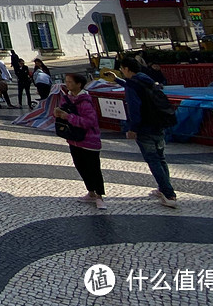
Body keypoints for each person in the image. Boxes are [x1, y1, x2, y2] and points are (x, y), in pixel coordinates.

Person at [116, 57, 178, 209]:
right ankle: (163, 188)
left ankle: (168, 193)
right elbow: (137, 88)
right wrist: (118, 80)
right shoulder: (146, 79)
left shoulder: (132, 86)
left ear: (126, 69)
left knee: (153, 159)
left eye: (122, 69)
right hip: (158, 123)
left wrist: (132, 129)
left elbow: (134, 108)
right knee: (160, 157)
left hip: (144, 127)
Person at [54, 72, 105, 209]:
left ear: (79, 84)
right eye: (66, 81)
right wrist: (58, 113)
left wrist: (68, 117)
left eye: (70, 82)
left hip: (89, 139)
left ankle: (100, 195)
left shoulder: (86, 100)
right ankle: (91, 192)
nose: (67, 84)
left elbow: (90, 121)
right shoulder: (67, 98)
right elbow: (63, 114)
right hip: (74, 138)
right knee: (81, 166)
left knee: (93, 168)